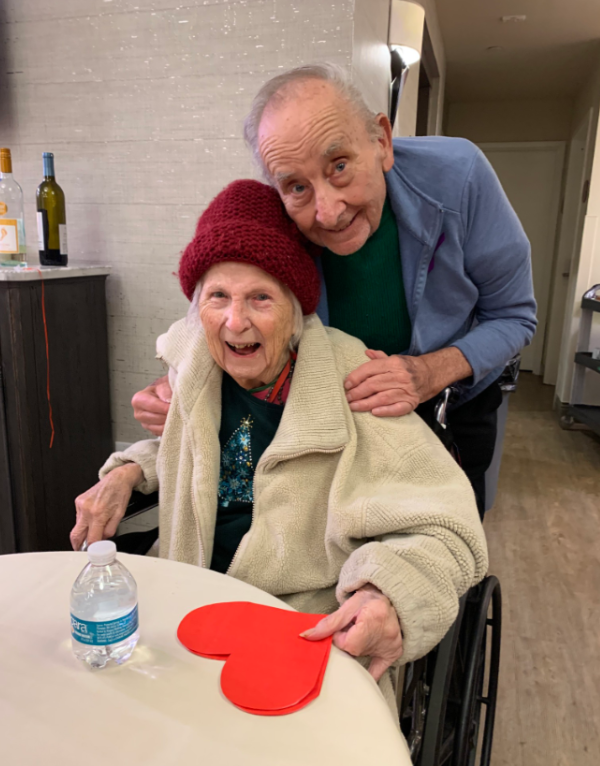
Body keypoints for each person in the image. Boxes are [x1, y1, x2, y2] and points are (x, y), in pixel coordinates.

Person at [72, 180, 488, 722]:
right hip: (181, 602)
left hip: (296, 626)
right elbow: (194, 450)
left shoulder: (353, 382)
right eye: (217, 296)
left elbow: (448, 527)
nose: (234, 321)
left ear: (296, 308)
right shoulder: (197, 370)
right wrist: (126, 472)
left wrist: (392, 590)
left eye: (259, 298)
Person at [132, 64, 537, 517]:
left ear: (381, 141)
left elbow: (514, 316)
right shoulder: (277, 219)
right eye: (297, 186)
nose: (327, 212)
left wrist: (427, 372)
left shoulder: (459, 178)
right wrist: (182, 384)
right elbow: (230, 316)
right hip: (342, 418)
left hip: (450, 403)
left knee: (448, 534)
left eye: (340, 167)